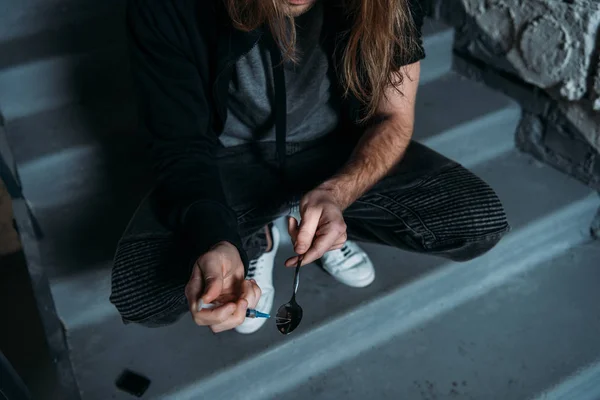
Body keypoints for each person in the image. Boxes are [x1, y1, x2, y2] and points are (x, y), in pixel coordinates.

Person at [110, 0, 509, 334]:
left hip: (332, 149)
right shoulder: (166, 5)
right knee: (143, 294)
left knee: (477, 222)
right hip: (226, 160)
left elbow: (394, 119)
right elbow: (181, 145)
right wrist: (218, 238)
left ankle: (325, 223)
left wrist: (340, 191)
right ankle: (255, 236)